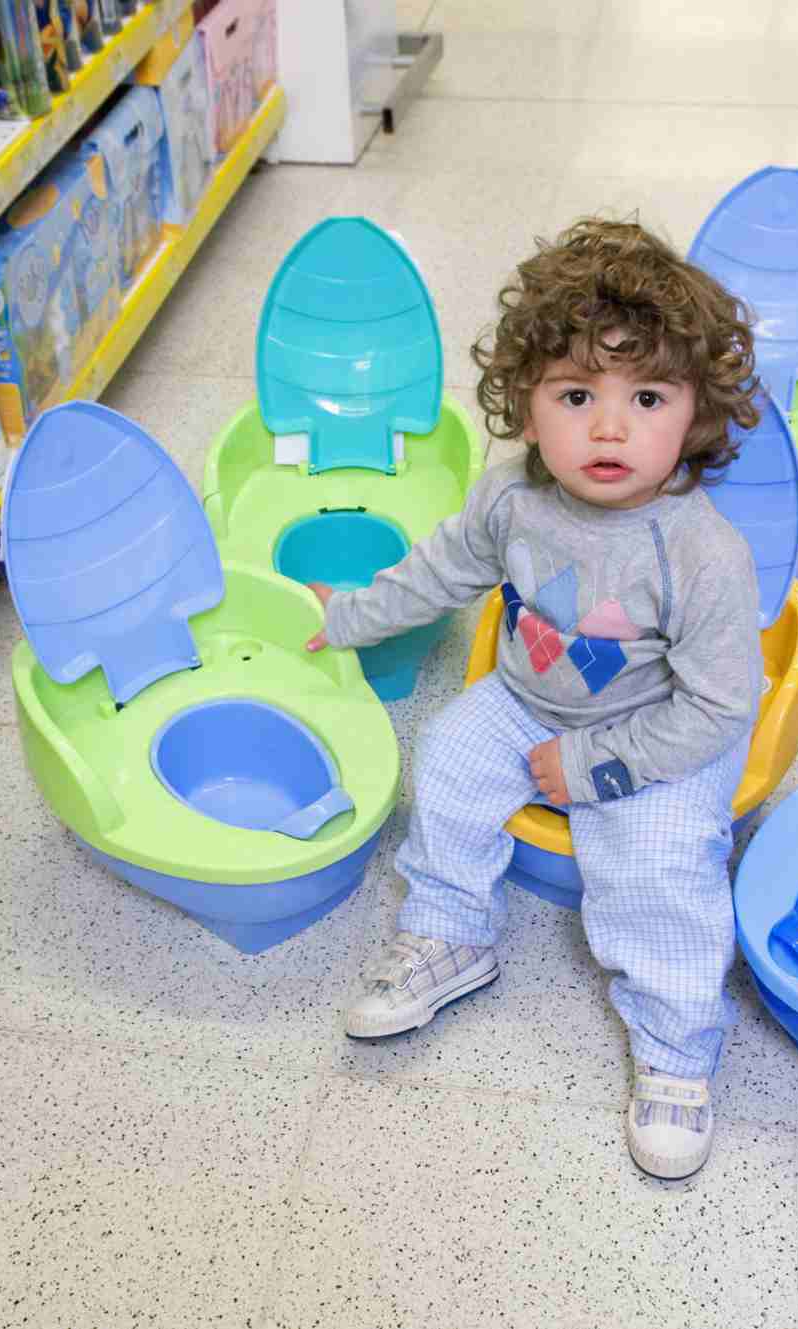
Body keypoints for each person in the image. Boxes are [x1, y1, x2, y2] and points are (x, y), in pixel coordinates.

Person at [307, 218, 767, 1179]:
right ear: (526, 405)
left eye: (646, 396)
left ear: (694, 411)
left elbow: (721, 710)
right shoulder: (512, 499)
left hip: (662, 726)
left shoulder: (700, 550)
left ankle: (679, 1043)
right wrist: (348, 616)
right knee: (445, 761)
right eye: (574, 394)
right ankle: (450, 934)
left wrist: (601, 766)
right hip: (527, 695)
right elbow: (439, 570)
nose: (609, 427)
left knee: (661, 864)